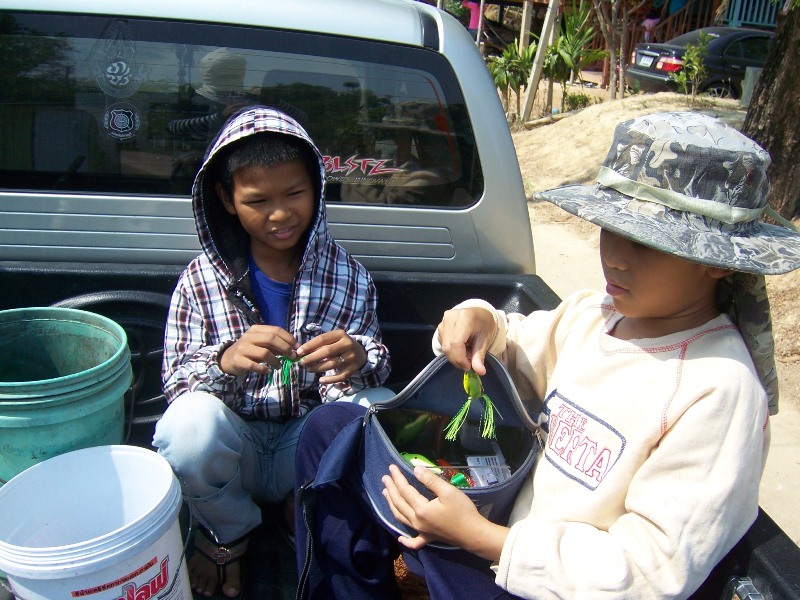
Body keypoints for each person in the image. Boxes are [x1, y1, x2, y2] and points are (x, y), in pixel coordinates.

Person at [293, 111, 800, 599]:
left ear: (717, 263)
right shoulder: (595, 316)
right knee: (331, 428)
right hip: (496, 526)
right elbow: (512, 341)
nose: (615, 256)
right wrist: (480, 320)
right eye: (611, 230)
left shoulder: (718, 388)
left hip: (545, 581)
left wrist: (483, 539)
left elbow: (649, 571)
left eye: (646, 242)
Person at [153, 105, 392, 598]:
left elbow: (375, 365)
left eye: (295, 194)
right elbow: (176, 384)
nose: (280, 214)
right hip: (233, 448)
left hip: (301, 448)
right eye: (258, 200)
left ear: (317, 189)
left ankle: (296, 508)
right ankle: (227, 535)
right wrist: (224, 361)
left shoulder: (349, 277)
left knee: (378, 409)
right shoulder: (199, 281)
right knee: (188, 425)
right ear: (225, 198)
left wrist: (360, 357)